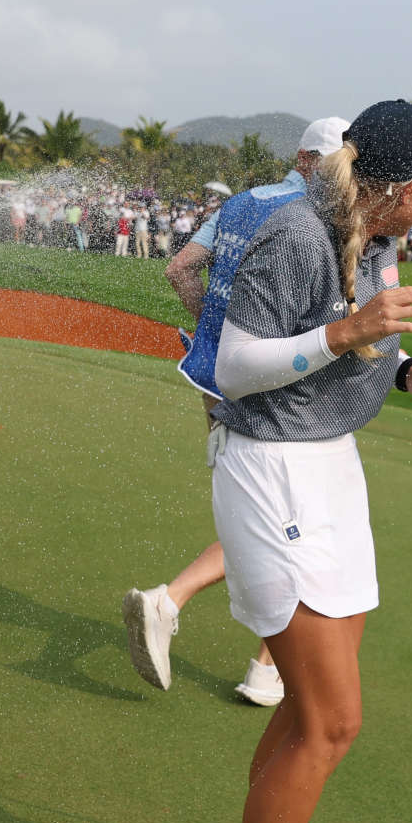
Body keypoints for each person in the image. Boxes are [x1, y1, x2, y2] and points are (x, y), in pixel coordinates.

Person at [185, 99, 412, 823]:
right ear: (405, 187)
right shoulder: (298, 233)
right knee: (332, 718)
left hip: (329, 463)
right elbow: (233, 365)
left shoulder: (369, 235)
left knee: (315, 709)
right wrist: (350, 331)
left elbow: (366, 347)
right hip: (271, 467)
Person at [129, 117, 350, 706]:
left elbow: (180, 268)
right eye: (334, 162)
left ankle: (257, 662)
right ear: (307, 160)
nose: (340, 173)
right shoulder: (317, 219)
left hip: (211, 374)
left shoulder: (246, 201)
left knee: (258, 510)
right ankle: (188, 612)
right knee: (296, 519)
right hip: (282, 381)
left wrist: (215, 333)